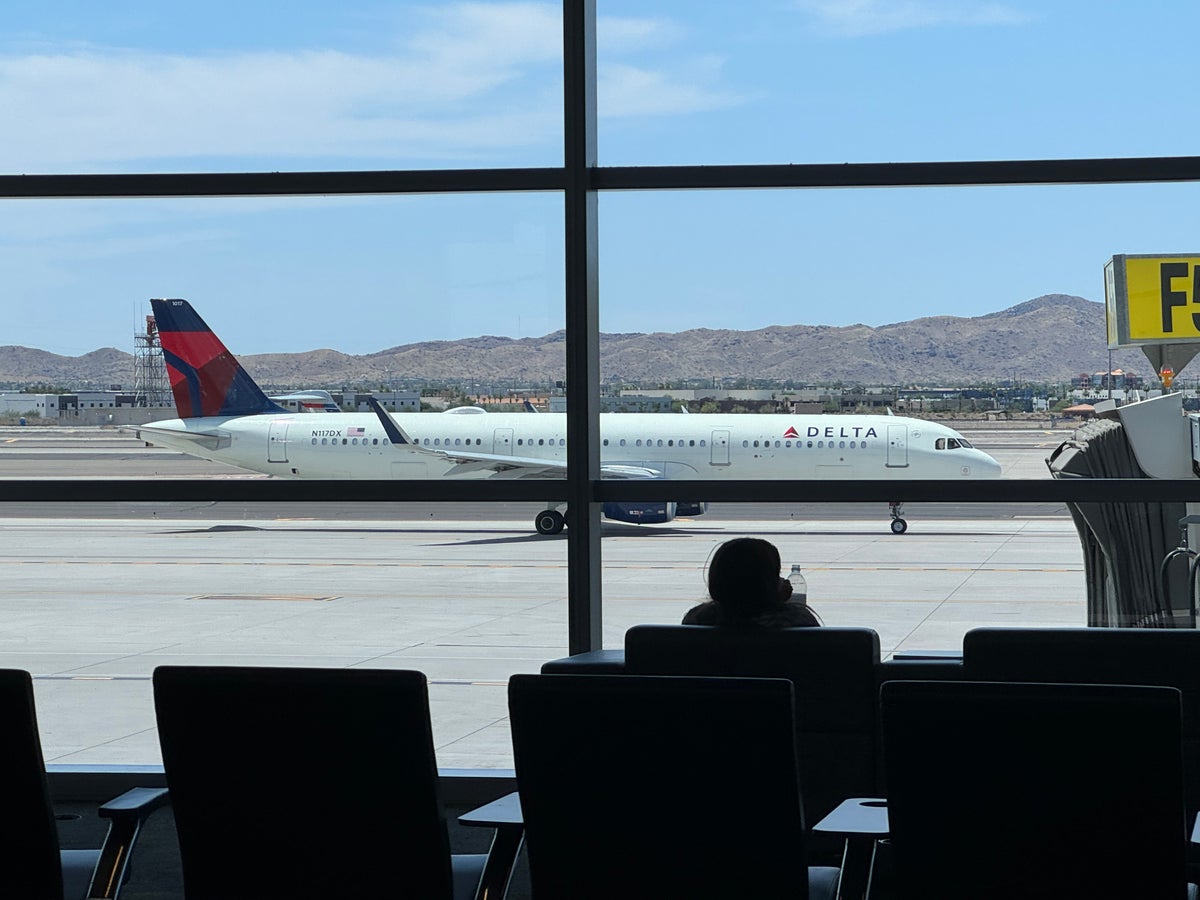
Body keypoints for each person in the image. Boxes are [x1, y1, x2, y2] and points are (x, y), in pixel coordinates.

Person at [682, 537, 822, 627]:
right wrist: (780, 603)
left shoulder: (697, 619)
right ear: (767, 585)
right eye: (775, 575)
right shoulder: (797, 620)